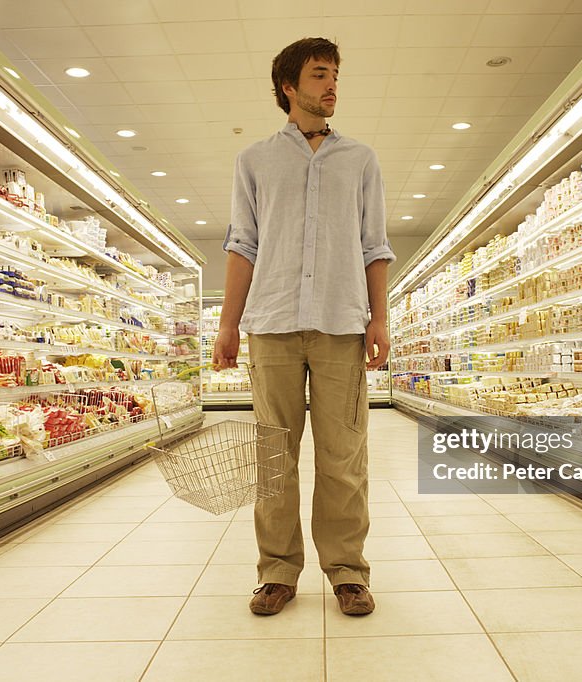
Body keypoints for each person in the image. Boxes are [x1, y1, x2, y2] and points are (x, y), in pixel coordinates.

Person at [213, 36, 395, 617]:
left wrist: (381, 317)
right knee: (275, 455)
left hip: (342, 322)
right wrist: (228, 325)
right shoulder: (255, 161)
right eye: (320, 74)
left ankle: (346, 570)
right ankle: (277, 570)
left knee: (344, 455)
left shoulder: (360, 159)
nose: (332, 85)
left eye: (336, 75)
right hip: (272, 323)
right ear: (289, 86)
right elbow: (242, 245)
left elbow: (375, 247)